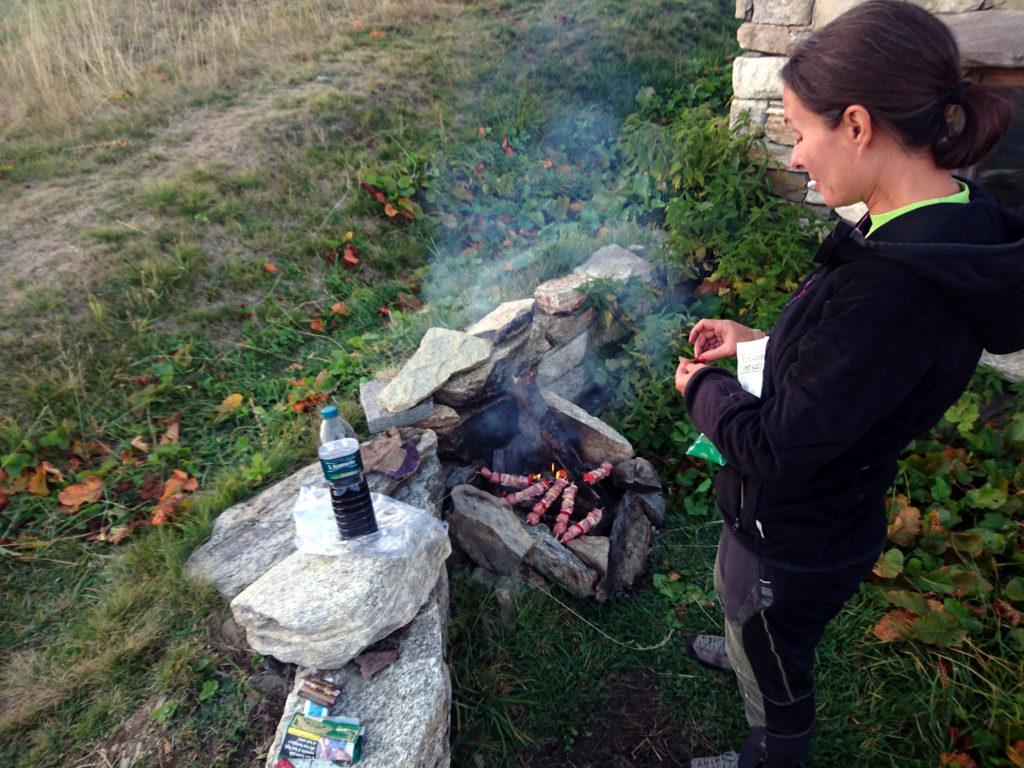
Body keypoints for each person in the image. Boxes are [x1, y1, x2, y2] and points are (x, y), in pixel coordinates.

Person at [672, 2, 1024, 766]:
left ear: (857, 125)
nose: (795, 156)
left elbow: (777, 448)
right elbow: (853, 378)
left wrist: (701, 392)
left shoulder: (892, 293)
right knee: (748, 614)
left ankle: (770, 746)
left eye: (801, 133)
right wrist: (757, 343)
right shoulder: (933, 221)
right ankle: (744, 641)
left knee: (774, 646)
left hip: (796, 536)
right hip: (818, 518)